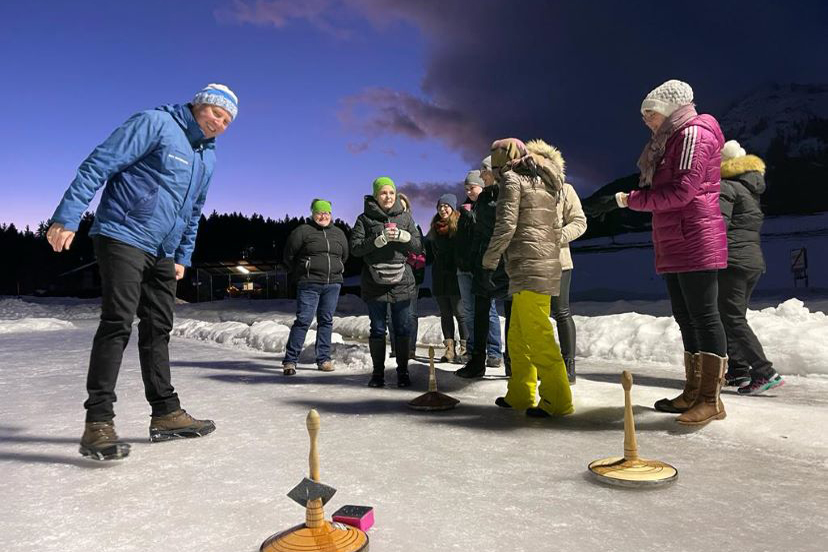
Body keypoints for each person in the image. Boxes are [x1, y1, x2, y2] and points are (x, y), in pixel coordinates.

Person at [47, 84, 237, 460]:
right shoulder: (155, 123)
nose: (220, 123)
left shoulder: (208, 158)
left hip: (163, 251)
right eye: (217, 113)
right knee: (118, 322)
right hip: (122, 234)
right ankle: (98, 422)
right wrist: (67, 216)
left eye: (228, 120)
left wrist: (182, 254)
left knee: (158, 328)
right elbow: (99, 162)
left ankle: (166, 413)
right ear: (200, 104)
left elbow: (194, 210)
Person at [587, 79, 729, 426]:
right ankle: (694, 390)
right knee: (686, 316)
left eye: (650, 114)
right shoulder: (671, 140)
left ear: (668, 110)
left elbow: (681, 192)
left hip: (695, 236)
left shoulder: (694, 134)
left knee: (704, 316)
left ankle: (711, 399)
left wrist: (624, 200)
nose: (647, 122)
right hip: (676, 238)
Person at [483, 138, 572, 417]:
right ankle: (521, 393)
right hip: (537, 266)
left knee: (537, 335)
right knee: (518, 336)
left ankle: (557, 400)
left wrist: (489, 261)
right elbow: (556, 226)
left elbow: (506, 225)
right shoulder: (543, 180)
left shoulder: (513, 180)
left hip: (530, 268)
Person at [717, 140, 784, 395]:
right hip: (752, 262)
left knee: (731, 318)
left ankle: (764, 371)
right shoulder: (750, 190)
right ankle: (738, 371)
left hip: (733, 262)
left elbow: (718, 227)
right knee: (732, 317)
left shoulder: (726, 187)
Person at [350, 177, 423, 388]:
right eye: (383, 193)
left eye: (391, 192)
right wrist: (377, 241)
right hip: (374, 282)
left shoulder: (406, 218)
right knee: (378, 329)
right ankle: (378, 374)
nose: (388, 197)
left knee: (402, 328)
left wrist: (405, 237)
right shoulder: (364, 219)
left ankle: (403, 373)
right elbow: (355, 248)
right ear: (375, 196)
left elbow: (418, 246)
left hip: (402, 281)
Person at [455, 157, 511, 378]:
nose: (482, 174)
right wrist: (474, 258)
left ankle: (511, 363)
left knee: (510, 315)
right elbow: (477, 234)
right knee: (480, 313)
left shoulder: (509, 194)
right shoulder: (484, 198)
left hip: (504, 264)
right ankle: (477, 362)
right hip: (482, 264)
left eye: (485, 171)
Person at [282, 198, 349, 375]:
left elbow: (345, 255)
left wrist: (337, 270)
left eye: (326, 212)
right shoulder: (303, 231)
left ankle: (324, 359)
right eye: (319, 212)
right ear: (313, 214)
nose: (323, 216)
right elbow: (289, 254)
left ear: (331, 214)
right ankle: (290, 361)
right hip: (309, 283)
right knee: (303, 320)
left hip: (332, 284)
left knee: (326, 321)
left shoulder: (339, 233)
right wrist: (300, 272)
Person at [540, 142, 588, 384]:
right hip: (532, 262)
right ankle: (543, 362)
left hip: (559, 261)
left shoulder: (565, 190)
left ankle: (568, 364)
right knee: (538, 314)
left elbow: (580, 222)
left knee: (561, 311)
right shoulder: (528, 190)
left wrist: (559, 236)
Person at [454, 169, 498, 364]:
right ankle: (472, 349)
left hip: (483, 266)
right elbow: (460, 239)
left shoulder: (491, 205)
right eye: (466, 188)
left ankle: (495, 351)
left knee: (490, 311)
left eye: (472, 187)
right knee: (469, 311)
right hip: (464, 266)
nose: (469, 191)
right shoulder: (463, 210)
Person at [426, 193, 468, 363]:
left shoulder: (459, 225)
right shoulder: (434, 228)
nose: (443, 209)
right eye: (440, 206)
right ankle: (449, 349)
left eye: (446, 206)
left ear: (452, 207)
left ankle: (465, 348)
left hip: (455, 276)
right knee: (445, 314)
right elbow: (429, 253)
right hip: (439, 277)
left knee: (460, 313)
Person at [389, 192, 424, 360]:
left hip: (411, 275)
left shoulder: (415, 226)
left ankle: (410, 348)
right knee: (391, 314)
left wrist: (414, 266)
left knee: (410, 313)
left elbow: (421, 252)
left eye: (403, 206)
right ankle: (396, 348)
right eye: (398, 206)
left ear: (407, 209)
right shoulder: (387, 225)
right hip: (390, 274)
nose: (400, 209)